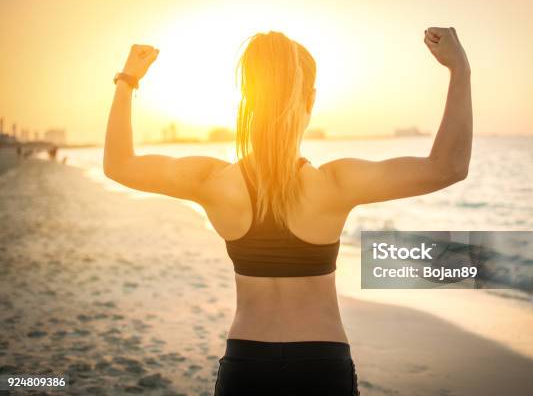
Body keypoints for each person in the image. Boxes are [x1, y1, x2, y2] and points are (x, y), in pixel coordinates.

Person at [103, 28, 472, 396]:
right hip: (321, 365)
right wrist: (459, 70)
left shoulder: (212, 181)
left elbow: (119, 164)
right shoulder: (336, 184)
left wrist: (128, 78)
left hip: (246, 365)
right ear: (309, 100)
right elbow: (448, 166)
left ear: (247, 98)